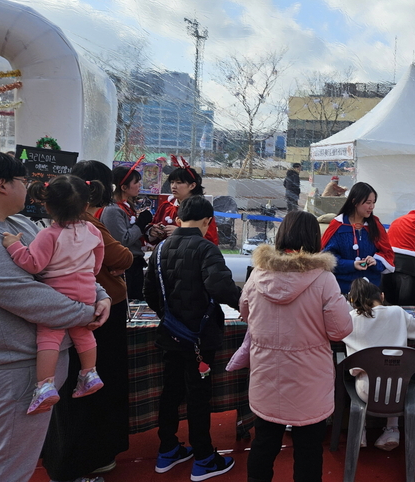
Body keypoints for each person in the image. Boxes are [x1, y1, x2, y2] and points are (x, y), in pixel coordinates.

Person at [0, 151, 110, 482]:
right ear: (2, 185)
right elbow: (33, 299)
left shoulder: (16, 223)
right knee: (9, 467)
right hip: (14, 369)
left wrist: (101, 295)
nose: (29, 189)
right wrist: (90, 310)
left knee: (18, 461)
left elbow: (68, 267)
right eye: (24, 180)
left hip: (34, 363)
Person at [241, 210, 353, 482]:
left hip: (267, 375)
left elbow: (246, 312)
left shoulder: (258, 274)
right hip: (309, 380)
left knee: (264, 444)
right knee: (308, 449)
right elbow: (341, 329)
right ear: (315, 238)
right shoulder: (323, 279)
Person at [42, 159, 133, 482]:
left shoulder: (47, 230)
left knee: (69, 385)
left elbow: (35, 266)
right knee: (89, 385)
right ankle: (81, 460)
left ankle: (71, 458)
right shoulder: (89, 224)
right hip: (94, 314)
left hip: (65, 313)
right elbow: (119, 258)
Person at [144, 195, 241, 480]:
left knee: (170, 392)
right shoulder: (206, 249)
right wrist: (244, 305)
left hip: (170, 335)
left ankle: (168, 449)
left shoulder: (160, 249)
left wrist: (169, 317)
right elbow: (221, 288)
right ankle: (204, 458)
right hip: (200, 337)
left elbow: (151, 293)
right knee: (198, 397)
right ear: (208, 221)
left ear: (178, 219)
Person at [2, 176, 106, 414]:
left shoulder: (49, 235)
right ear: (85, 205)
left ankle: (45, 386)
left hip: (58, 292)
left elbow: (33, 264)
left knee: (49, 336)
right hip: (87, 288)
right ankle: (89, 372)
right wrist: (90, 276)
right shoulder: (92, 229)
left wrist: (13, 245)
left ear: (47, 206)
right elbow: (98, 260)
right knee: (83, 332)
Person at [343, 277, 415, 451]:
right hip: (400, 392)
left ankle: (361, 430)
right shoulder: (397, 312)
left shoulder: (350, 318)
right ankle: (392, 429)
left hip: (366, 391)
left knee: (364, 372)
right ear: (381, 296)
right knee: (395, 370)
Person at [321, 182, 395, 294]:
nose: (372, 207)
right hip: (342, 290)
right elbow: (327, 258)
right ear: (355, 202)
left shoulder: (375, 225)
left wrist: (376, 260)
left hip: (371, 291)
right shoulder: (338, 226)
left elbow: (387, 253)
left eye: (373, 203)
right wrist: (351, 265)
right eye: (368, 202)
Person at [101, 164, 152, 300]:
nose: (140, 185)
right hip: (124, 267)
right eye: (136, 182)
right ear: (123, 187)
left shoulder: (127, 207)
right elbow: (122, 240)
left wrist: (150, 231)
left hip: (134, 264)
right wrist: (141, 225)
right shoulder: (113, 210)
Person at [150, 163, 219, 245]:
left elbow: (210, 241)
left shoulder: (202, 209)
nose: (173, 186)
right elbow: (152, 237)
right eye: (172, 182)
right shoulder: (166, 206)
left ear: (192, 185)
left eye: (179, 182)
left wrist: (180, 233)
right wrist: (153, 232)